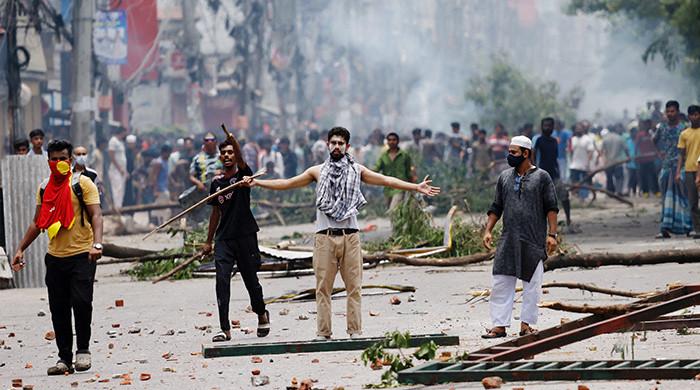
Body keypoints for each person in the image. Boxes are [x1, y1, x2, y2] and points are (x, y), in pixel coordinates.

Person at [243, 127, 440, 339]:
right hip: (324, 237)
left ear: (347, 147)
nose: (337, 146)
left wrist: (415, 187)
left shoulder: (358, 170)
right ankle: (323, 333)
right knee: (323, 289)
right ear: (328, 145)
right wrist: (257, 183)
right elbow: (287, 183)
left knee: (354, 287)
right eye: (333, 142)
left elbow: (386, 180)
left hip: (351, 237)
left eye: (341, 143)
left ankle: (355, 331)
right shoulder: (316, 171)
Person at [11, 139, 103, 375]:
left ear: (70, 160)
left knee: (82, 303)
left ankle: (83, 350)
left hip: (83, 255)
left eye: (63, 158)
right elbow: (37, 222)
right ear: (48, 161)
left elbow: (96, 216)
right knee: (59, 309)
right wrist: (21, 248)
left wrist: (97, 244)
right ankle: (64, 358)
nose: (58, 162)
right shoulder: (44, 187)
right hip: (55, 258)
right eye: (54, 158)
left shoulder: (83, 184)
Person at [482, 135, 558, 339]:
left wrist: (552, 234)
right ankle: (499, 326)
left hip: (532, 240)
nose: (510, 156)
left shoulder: (543, 177)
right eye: (509, 152)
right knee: (501, 282)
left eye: (514, 152)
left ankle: (526, 325)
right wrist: (488, 230)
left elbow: (551, 207)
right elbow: (496, 206)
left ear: (526, 153)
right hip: (508, 239)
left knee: (532, 286)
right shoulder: (504, 177)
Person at [203, 137, 270, 342]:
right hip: (224, 238)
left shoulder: (244, 176)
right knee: (221, 281)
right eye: (223, 153)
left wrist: (234, 142)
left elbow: (241, 161)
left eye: (231, 152)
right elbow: (215, 213)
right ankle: (225, 329)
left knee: (251, 280)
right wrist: (208, 241)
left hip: (246, 236)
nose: (227, 156)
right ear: (220, 157)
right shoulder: (216, 183)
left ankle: (261, 313)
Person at [655, 100, 692, 238]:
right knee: (666, 197)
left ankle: (688, 226)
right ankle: (665, 227)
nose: (670, 114)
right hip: (666, 166)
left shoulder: (684, 128)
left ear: (677, 112)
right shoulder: (662, 127)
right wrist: (659, 154)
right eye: (668, 111)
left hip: (681, 166)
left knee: (684, 196)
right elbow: (655, 140)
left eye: (672, 111)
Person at [534, 117, 571, 226]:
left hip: (554, 174)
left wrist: (559, 172)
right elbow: (533, 155)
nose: (547, 128)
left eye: (550, 126)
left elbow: (555, 159)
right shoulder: (539, 140)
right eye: (545, 126)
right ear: (542, 127)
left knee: (564, 195)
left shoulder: (555, 141)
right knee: (540, 199)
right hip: (541, 174)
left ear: (553, 127)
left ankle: (568, 219)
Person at [374, 132, 416, 210]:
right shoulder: (383, 156)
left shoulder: (404, 155)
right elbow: (377, 168)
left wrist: (412, 186)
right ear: (387, 142)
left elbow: (409, 171)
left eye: (394, 140)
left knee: (393, 209)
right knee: (391, 210)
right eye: (389, 140)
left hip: (400, 186)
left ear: (398, 141)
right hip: (388, 187)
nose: (391, 142)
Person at [678, 105, 700, 237]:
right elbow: (681, 154)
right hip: (689, 170)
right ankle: (698, 229)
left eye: (697, 114)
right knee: (692, 202)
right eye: (692, 115)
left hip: (699, 170)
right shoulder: (684, 134)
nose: (694, 117)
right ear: (688, 116)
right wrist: (677, 171)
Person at [599, 126, 629, 195]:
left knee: (609, 178)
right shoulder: (619, 138)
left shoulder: (605, 139)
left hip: (608, 162)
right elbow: (626, 149)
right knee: (619, 178)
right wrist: (628, 157)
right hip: (618, 162)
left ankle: (610, 192)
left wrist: (603, 160)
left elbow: (602, 151)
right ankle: (618, 191)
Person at [569, 122, 595, 199]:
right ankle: (575, 197)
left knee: (584, 183)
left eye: (580, 129)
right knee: (574, 183)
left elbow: (590, 152)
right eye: (577, 129)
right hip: (574, 165)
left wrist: (588, 163)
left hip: (584, 166)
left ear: (583, 129)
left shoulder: (587, 139)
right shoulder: (572, 139)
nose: (578, 130)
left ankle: (583, 198)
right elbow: (571, 152)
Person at [635, 119, 660, 197]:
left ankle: (656, 192)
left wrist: (656, 152)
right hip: (642, 159)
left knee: (653, 176)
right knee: (643, 176)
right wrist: (636, 155)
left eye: (649, 125)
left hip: (651, 159)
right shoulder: (640, 135)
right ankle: (645, 192)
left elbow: (654, 145)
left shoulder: (651, 134)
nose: (647, 126)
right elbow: (636, 146)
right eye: (646, 125)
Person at [149, 144, 173, 224]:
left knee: (163, 207)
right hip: (160, 188)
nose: (170, 155)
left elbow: (167, 175)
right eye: (169, 153)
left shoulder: (166, 161)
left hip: (164, 187)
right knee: (160, 207)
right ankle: (157, 223)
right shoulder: (159, 162)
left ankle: (161, 223)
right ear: (164, 152)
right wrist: (155, 190)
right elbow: (154, 176)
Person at [107, 128, 129, 209]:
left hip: (122, 170)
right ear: (121, 132)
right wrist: (119, 168)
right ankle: (117, 208)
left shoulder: (121, 142)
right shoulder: (113, 141)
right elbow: (112, 156)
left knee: (121, 190)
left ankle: (119, 207)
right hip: (115, 170)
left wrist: (125, 171)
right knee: (117, 189)